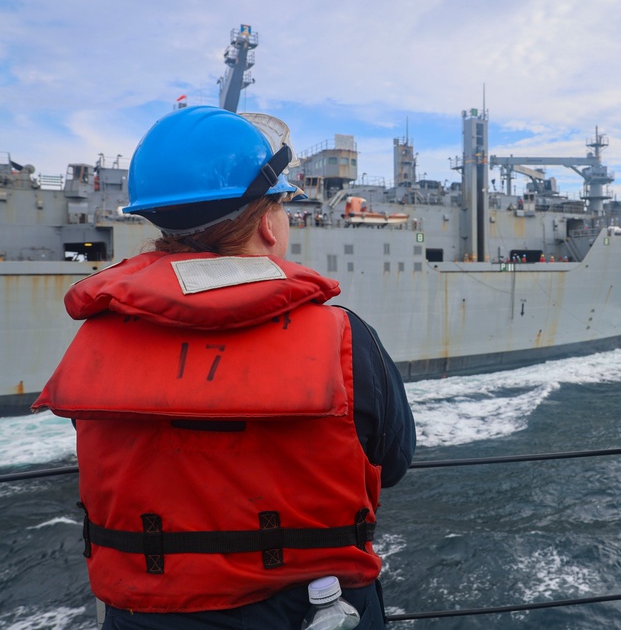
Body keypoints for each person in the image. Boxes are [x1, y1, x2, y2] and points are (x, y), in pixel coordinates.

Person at [32, 106, 416, 629]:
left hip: (145, 616)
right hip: (314, 611)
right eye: (282, 205)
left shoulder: (97, 338)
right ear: (267, 225)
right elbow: (393, 462)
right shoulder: (348, 340)